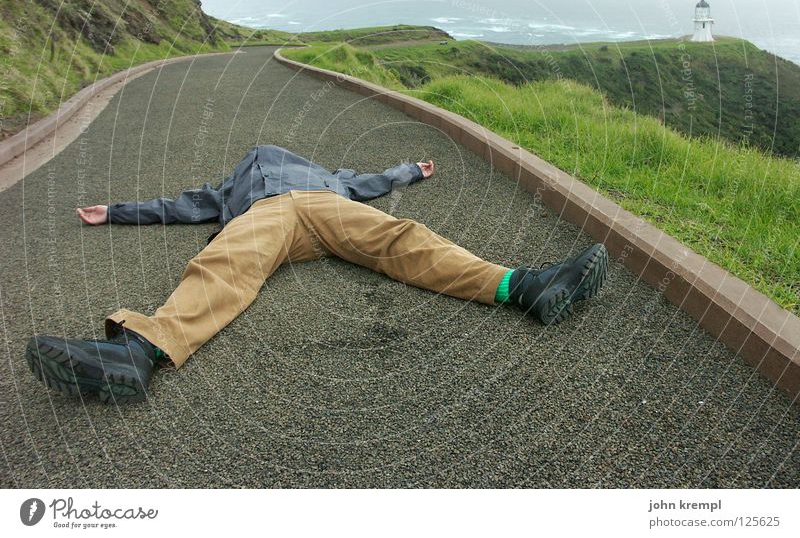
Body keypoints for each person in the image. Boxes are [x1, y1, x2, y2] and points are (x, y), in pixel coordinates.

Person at [26, 145, 609, 404]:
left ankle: (525, 286)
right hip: (268, 218)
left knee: (399, 236)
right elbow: (180, 205)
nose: (263, 153)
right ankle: (139, 352)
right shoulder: (231, 188)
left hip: (324, 208)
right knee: (226, 264)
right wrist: (114, 213)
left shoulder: (327, 175)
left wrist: (412, 170)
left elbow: (370, 183)